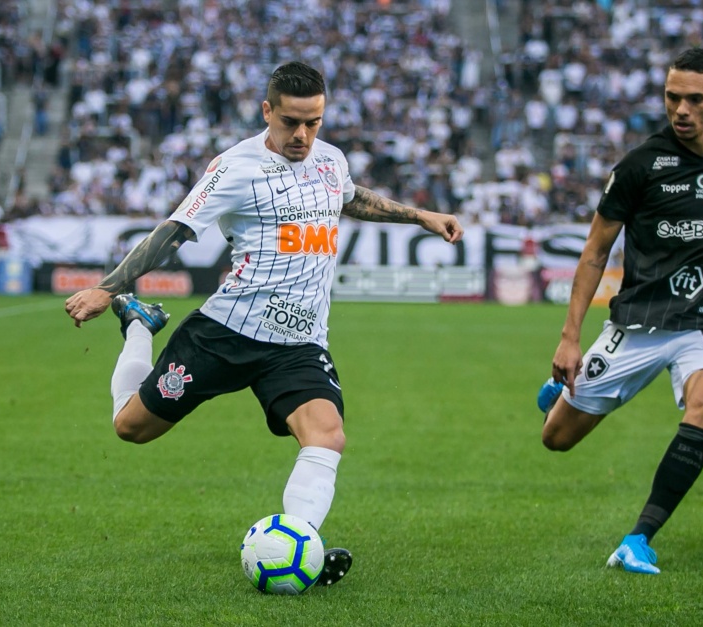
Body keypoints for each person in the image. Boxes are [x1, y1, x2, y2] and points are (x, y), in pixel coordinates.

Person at [64, 61, 464, 587]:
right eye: (292, 122)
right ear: (267, 111)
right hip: (225, 333)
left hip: (297, 343)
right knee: (131, 428)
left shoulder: (329, 160)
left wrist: (420, 216)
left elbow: (352, 198)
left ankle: (301, 546)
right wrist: (109, 288)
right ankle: (138, 323)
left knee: (327, 436)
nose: (303, 135)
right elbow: (173, 232)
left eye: (314, 122)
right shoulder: (234, 168)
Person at [534, 49, 703, 575]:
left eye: (695, 98)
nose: (682, 109)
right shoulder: (640, 166)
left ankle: (639, 538)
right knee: (555, 439)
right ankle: (558, 394)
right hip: (638, 325)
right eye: (673, 97)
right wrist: (570, 336)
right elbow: (595, 251)